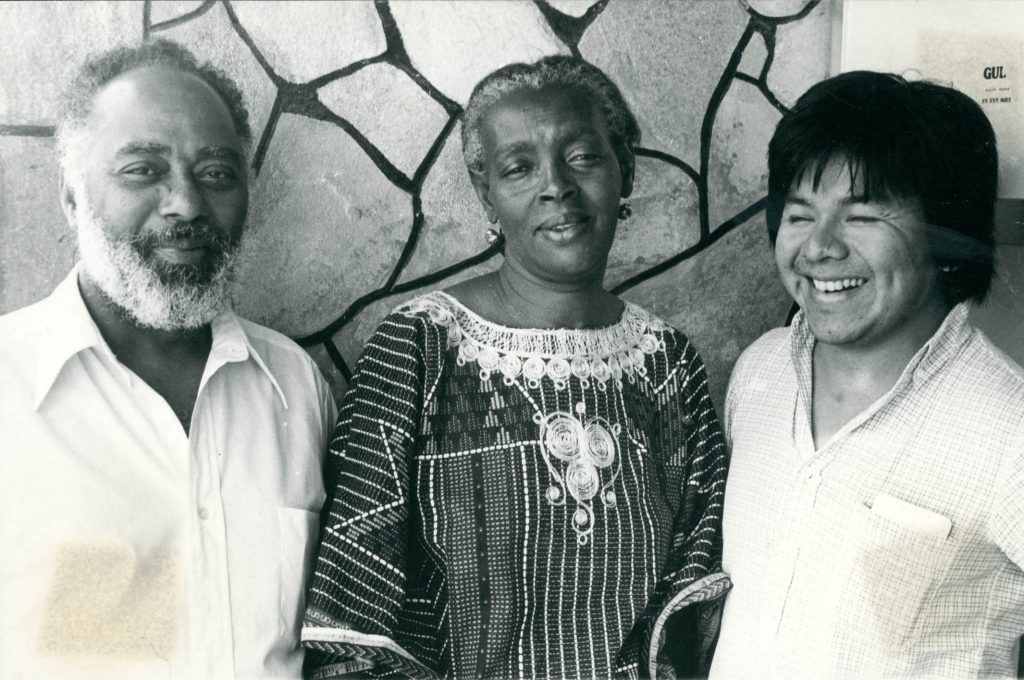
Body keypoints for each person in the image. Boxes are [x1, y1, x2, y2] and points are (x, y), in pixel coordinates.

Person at [301, 56, 729, 679]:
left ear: (624, 171)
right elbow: (352, 614)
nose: (555, 186)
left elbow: (693, 585)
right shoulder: (420, 346)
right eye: (519, 168)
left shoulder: (667, 364)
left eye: (582, 156)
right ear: (488, 194)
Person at [0, 39, 336, 679]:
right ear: (71, 198)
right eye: (142, 170)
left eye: (215, 173)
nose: (185, 202)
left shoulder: (295, 386)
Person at [710, 71, 1024, 678]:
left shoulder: (1010, 428)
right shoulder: (760, 373)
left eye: (862, 216)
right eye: (800, 214)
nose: (820, 247)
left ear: (945, 236)